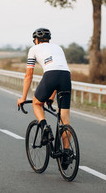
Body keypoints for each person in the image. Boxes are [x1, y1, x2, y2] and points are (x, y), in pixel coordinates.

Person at [17, 28, 72, 168]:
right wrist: (51, 96)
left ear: (36, 40)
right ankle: (66, 154)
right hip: (66, 77)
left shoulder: (34, 49)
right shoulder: (58, 48)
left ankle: (44, 126)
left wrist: (23, 97)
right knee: (64, 119)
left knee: (36, 103)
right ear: (49, 39)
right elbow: (59, 69)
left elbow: (29, 75)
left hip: (50, 76)